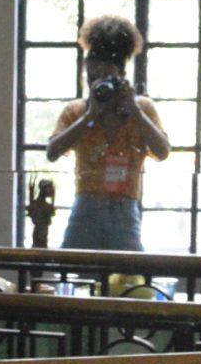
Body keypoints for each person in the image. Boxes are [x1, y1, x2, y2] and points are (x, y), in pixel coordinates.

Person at [44, 14, 171, 254]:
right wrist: (90, 115)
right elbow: (52, 152)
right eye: (92, 78)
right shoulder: (76, 111)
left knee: (128, 272)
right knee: (70, 267)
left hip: (125, 208)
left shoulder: (142, 109)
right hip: (86, 206)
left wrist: (134, 110)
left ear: (122, 77)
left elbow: (163, 152)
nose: (97, 85)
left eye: (106, 79)